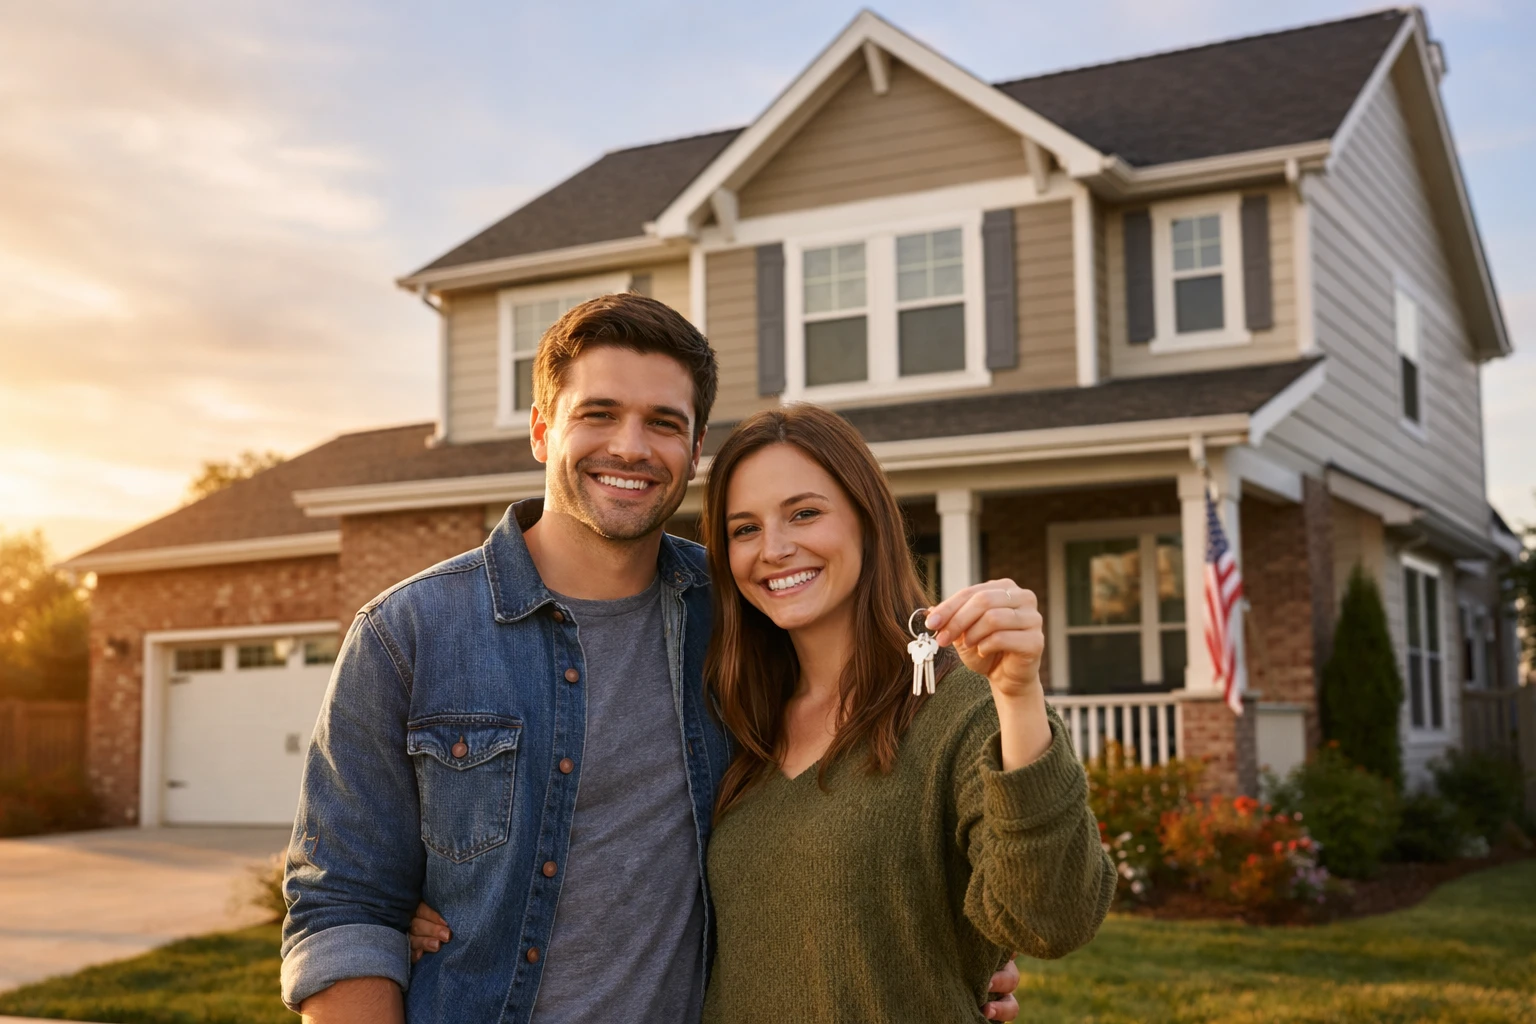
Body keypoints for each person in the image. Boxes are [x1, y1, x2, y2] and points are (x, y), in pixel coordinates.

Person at [282, 293, 1024, 1024]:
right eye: (598, 413)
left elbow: (866, 767)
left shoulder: (743, 611)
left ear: (695, 451)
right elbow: (341, 910)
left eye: (663, 423)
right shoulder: (408, 635)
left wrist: (950, 953)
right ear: (541, 430)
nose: (631, 447)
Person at [411, 402, 1115, 1021]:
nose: (775, 549)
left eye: (805, 513)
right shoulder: (735, 719)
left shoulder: (955, 707)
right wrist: (466, 907)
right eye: (744, 528)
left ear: (867, 520)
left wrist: (1020, 693)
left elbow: (1048, 916)